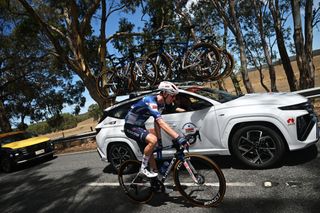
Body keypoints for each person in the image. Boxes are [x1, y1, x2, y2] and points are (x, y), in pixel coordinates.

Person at [124, 81, 188, 178]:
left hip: (140, 126)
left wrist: (160, 140)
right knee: (152, 140)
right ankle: (143, 168)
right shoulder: (150, 101)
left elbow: (157, 122)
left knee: (151, 154)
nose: (174, 99)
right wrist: (178, 137)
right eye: (172, 96)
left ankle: (155, 183)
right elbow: (162, 123)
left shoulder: (161, 105)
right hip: (130, 126)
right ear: (165, 93)